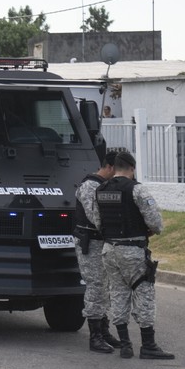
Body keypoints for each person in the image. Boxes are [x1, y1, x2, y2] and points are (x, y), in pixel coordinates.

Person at [93, 151, 174, 360]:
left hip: (109, 250)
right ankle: (148, 345)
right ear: (132, 168)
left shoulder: (100, 189)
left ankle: (126, 344)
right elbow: (156, 223)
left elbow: (97, 221)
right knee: (144, 293)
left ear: (115, 167)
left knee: (118, 294)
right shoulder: (137, 190)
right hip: (132, 250)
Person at [73, 151, 121, 353]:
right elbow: (96, 217)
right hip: (91, 243)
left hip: (103, 242)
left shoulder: (105, 186)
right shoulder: (90, 186)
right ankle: (95, 337)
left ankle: (104, 330)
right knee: (96, 287)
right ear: (109, 167)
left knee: (106, 287)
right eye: (118, 170)